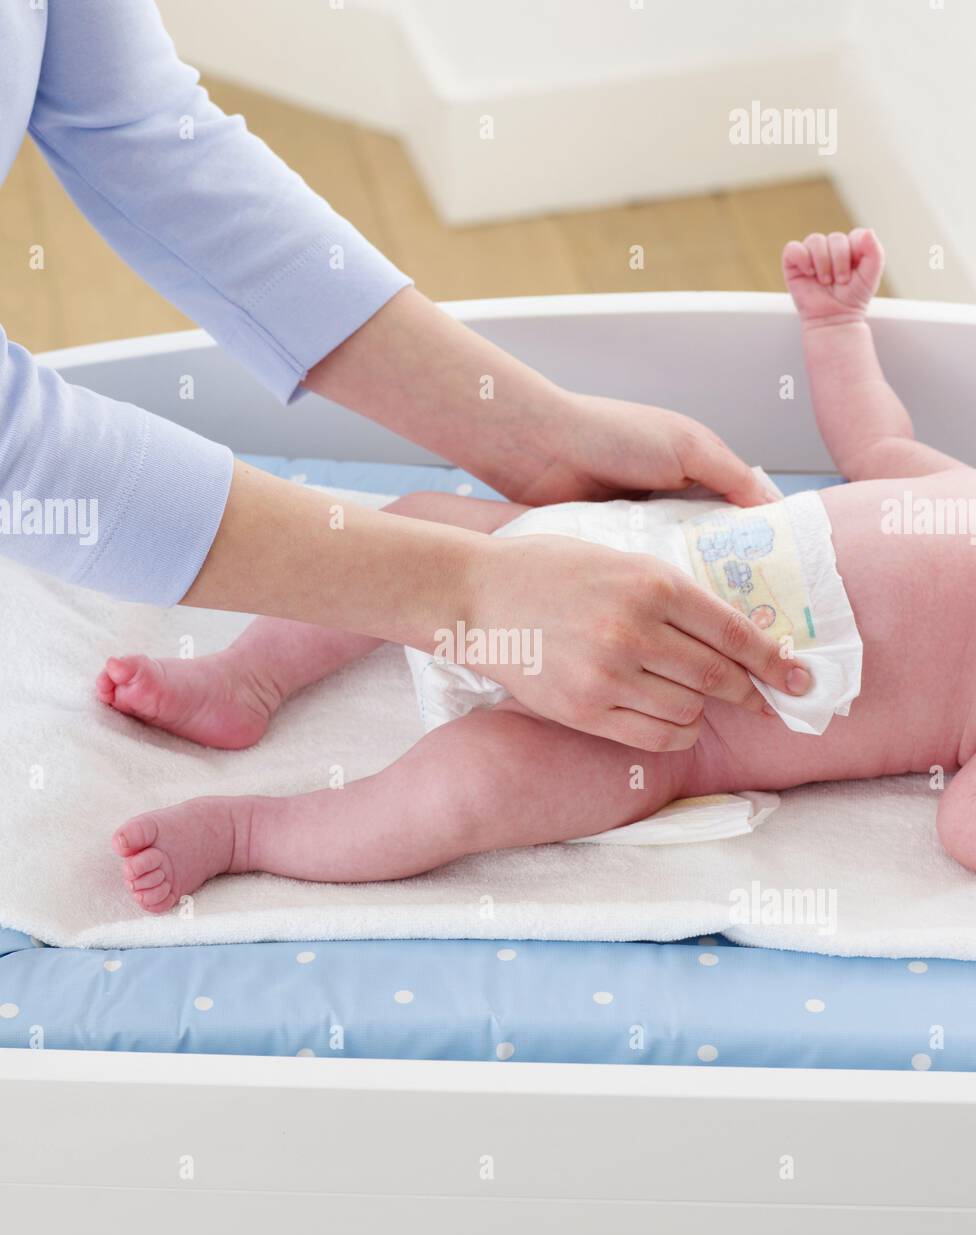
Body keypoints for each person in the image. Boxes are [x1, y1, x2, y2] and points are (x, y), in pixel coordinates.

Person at [1, 1, 808, 755]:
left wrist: (533, 440)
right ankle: (245, 798)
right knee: (466, 774)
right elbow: (16, 456)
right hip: (582, 630)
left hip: (611, 602)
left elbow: (133, 125)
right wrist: (470, 597)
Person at [103, 229, 976, 910]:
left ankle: (247, 831)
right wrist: (836, 326)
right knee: (411, 532)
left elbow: (959, 825)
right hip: (618, 549)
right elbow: (873, 445)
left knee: (464, 793)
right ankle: (244, 679)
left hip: (664, 728)